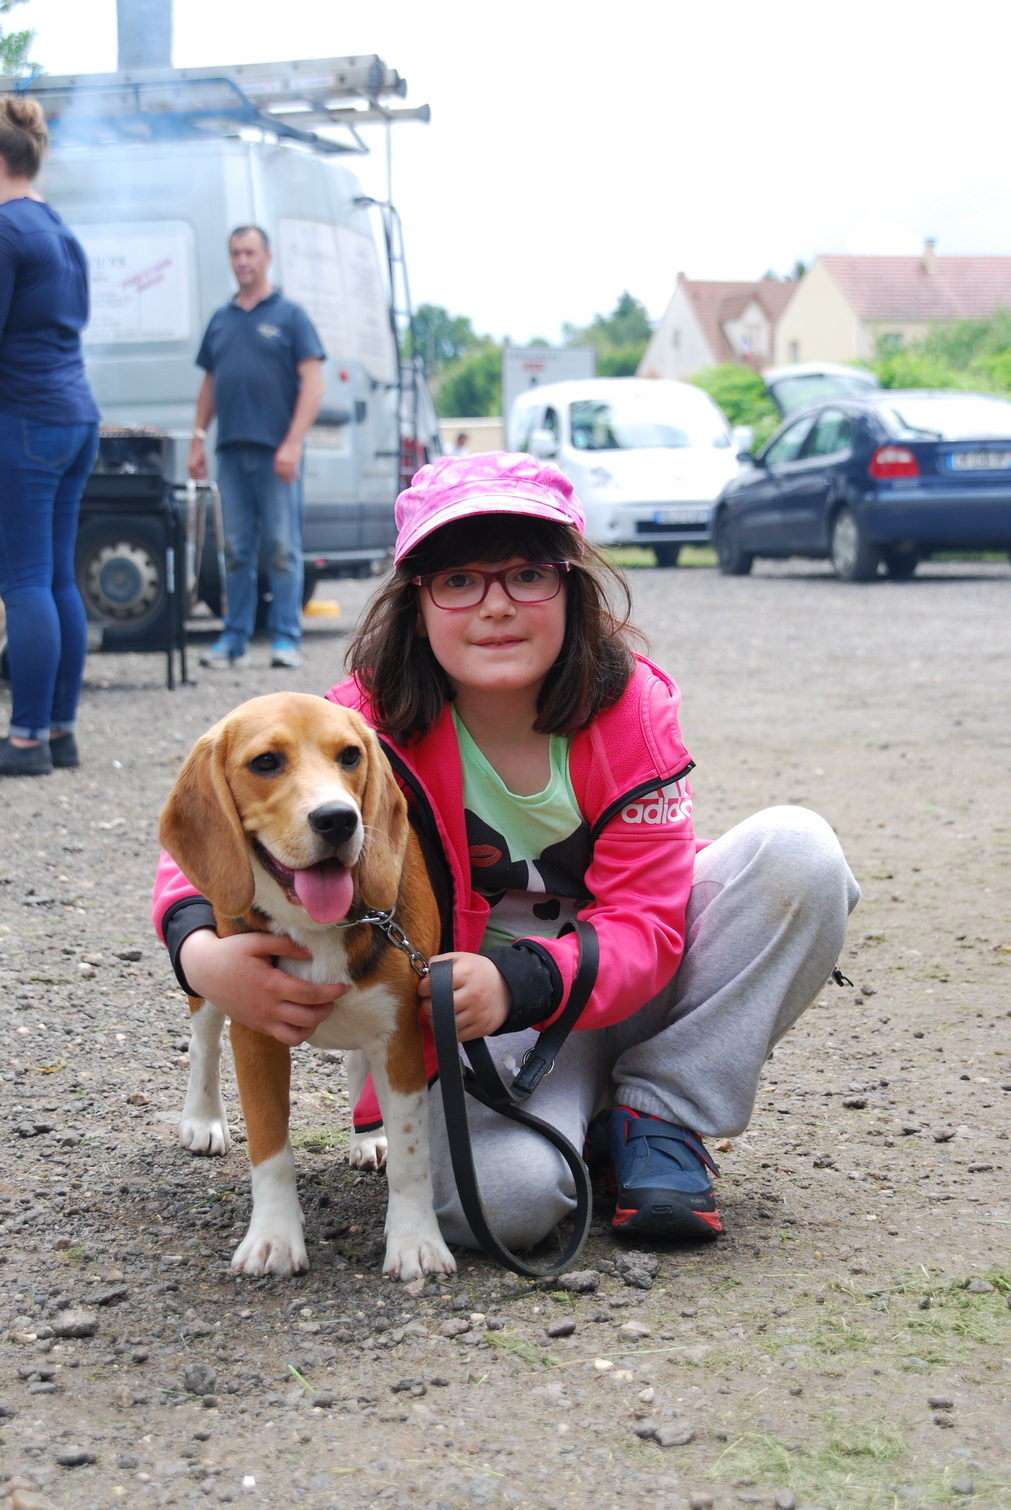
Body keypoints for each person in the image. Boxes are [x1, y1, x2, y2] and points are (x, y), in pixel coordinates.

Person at [153, 451, 860, 1251]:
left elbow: (649, 922)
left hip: (621, 985)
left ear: (572, 588)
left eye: (528, 575)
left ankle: (660, 1114)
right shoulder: (359, 723)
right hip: (488, 1035)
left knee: (799, 854)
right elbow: (207, 833)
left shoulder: (633, 710)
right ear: (415, 603)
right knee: (503, 1207)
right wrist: (200, 956)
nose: (495, 606)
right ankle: (584, 1121)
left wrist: (518, 979)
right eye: (458, 580)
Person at [0, 94, 100, 778]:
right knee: (58, 577)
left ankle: (26, 739)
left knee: (25, 580)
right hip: (75, 416)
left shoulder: (6, 231)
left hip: (25, 421)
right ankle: (59, 732)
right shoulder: (59, 231)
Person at [188, 225, 325, 672]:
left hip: (276, 455)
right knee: (235, 550)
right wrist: (197, 439)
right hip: (230, 453)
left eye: (249, 252)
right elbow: (210, 384)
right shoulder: (221, 319)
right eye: (235, 253)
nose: (242, 260)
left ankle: (286, 638)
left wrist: (292, 444)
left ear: (267, 258)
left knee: (282, 548)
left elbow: (314, 385)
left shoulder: (290, 316)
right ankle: (234, 640)